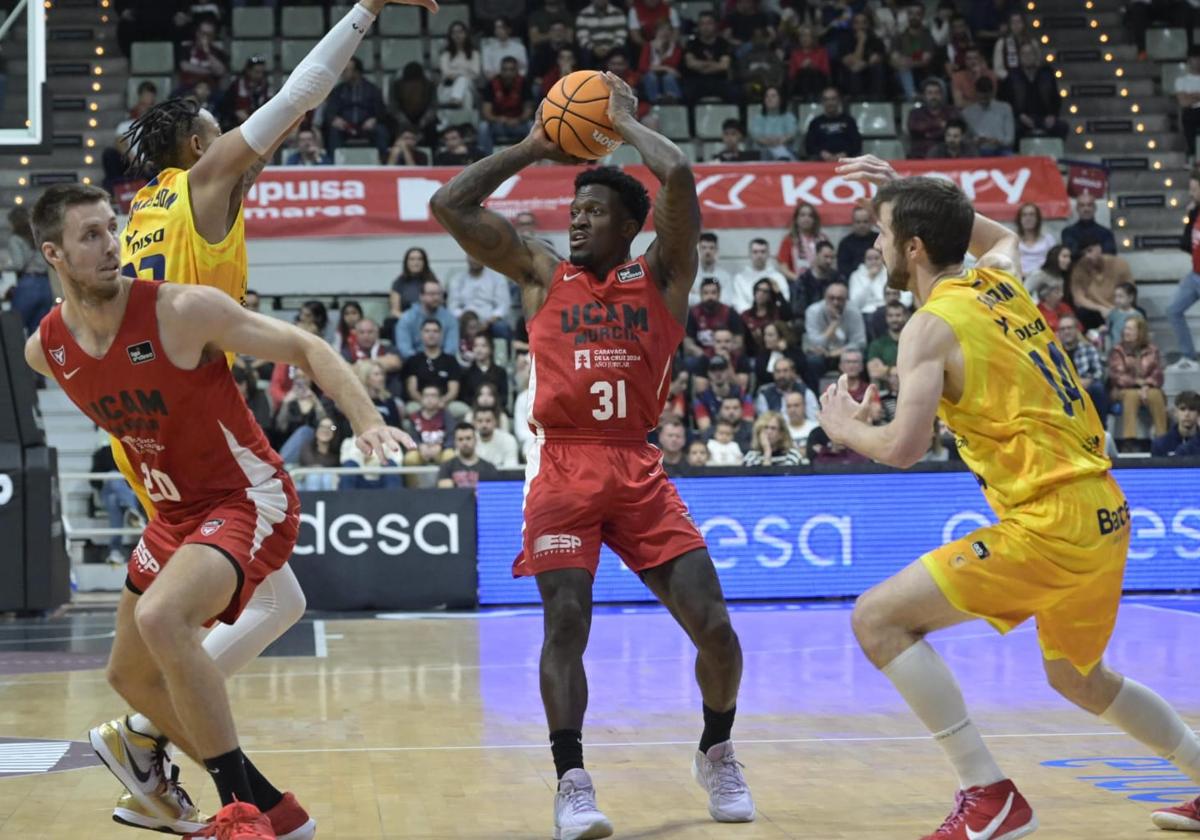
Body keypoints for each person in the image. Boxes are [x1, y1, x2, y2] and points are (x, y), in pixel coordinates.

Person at [101, 3, 437, 829]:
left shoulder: (140, 206)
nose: (241, 146)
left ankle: (149, 735)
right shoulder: (199, 186)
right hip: (195, 435)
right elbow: (298, 97)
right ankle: (154, 740)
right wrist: (365, 11)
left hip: (139, 428)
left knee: (278, 603)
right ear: (195, 147)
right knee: (213, 612)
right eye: (220, 131)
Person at [818, 153, 1200, 839]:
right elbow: (991, 236)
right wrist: (908, 196)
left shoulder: (928, 328)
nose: (874, 247)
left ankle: (987, 794)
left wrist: (847, 427)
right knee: (1079, 679)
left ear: (911, 247)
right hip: (1106, 510)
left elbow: (904, 448)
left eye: (881, 234)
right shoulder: (1001, 279)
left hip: (1050, 519)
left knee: (877, 620)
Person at [28, 183, 414, 840]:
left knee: (161, 616)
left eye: (111, 228)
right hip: (173, 514)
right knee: (127, 673)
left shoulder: (181, 309)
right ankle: (274, 808)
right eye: (89, 235)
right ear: (53, 253)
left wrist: (368, 420)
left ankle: (240, 814)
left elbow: (306, 349)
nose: (109, 245)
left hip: (245, 496)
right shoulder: (48, 349)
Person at [430, 72, 754, 839]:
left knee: (714, 627)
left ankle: (717, 748)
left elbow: (675, 174)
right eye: (574, 210)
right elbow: (451, 206)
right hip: (564, 466)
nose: (577, 222)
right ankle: (571, 778)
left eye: (594, 212)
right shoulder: (545, 274)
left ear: (630, 226)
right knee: (566, 620)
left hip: (637, 468)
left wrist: (623, 120)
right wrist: (536, 143)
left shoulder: (664, 278)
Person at [1108, 316, 1169, 448]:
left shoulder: (1152, 350)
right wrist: (1139, 384)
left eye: (1130, 329)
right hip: (1122, 390)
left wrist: (1146, 385)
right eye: (1125, 328)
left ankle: (1162, 438)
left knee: (1156, 394)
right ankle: (1129, 440)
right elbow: (1117, 375)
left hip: (1148, 388)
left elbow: (1158, 374)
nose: (1126, 332)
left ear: (1140, 332)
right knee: (1131, 396)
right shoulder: (1118, 350)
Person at [803, 281, 866, 392]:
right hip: (821, 353)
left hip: (844, 352)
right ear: (825, 298)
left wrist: (834, 353)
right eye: (831, 298)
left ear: (846, 300)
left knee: (860, 359)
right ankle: (816, 397)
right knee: (813, 361)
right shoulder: (813, 311)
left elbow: (860, 342)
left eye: (840, 299)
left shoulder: (853, 312)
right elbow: (815, 343)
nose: (835, 302)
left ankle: (860, 395)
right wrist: (833, 324)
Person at [324, 57, 389, 160]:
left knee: (381, 131)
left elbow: (382, 112)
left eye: (346, 70)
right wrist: (334, 119)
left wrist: (374, 120)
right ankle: (334, 164)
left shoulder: (372, 89)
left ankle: (383, 163)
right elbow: (329, 111)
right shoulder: (337, 91)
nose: (342, 73)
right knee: (333, 131)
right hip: (345, 127)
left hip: (366, 127)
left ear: (356, 72)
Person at [1001, 42, 1067, 140]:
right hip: (1021, 118)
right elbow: (1007, 101)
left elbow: (1056, 99)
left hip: (1043, 117)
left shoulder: (1046, 74)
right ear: (1019, 57)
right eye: (1024, 54)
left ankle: (1052, 154)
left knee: (1062, 127)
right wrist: (1020, 115)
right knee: (1014, 128)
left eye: (1030, 53)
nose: (1027, 57)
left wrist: (1052, 115)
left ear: (1035, 56)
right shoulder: (1012, 77)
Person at [401, 318, 466, 416]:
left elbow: (453, 391)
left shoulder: (450, 361)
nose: (431, 334)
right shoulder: (413, 361)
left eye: (435, 331)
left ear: (441, 335)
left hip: (444, 403)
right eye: (427, 331)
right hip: (420, 403)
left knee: (463, 410)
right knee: (409, 409)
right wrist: (425, 402)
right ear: (421, 334)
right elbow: (412, 390)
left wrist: (440, 402)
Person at [1069, 234, 1133, 332]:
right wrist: (1100, 308)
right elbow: (1079, 297)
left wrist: (1117, 309)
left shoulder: (1119, 264)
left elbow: (1130, 290)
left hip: (1118, 306)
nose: (1087, 256)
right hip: (1095, 310)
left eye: (1090, 251)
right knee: (1083, 313)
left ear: (1099, 248)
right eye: (1084, 253)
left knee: (1138, 314)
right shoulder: (1079, 268)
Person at [6, 206, 54, 336]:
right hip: (46, 285)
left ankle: (15, 357)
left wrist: (4, 266)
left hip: (28, 284)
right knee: (38, 333)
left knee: (11, 327)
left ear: (14, 222)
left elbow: (19, 264)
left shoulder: (15, 239)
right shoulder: (39, 238)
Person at [1170, 171, 1200, 368]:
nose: (1191, 193)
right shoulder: (1196, 211)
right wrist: (1190, 216)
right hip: (1195, 274)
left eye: (1194, 189)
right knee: (1173, 310)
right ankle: (1189, 355)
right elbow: (1185, 244)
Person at [447, 255, 512, 341]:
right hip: (465, 319)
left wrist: (489, 321)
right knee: (450, 326)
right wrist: (467, 320)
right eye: (471, 256)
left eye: (478, 256)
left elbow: (503, 306)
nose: (475, 260)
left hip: (490, 320)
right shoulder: (457, 279)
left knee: (502, 328)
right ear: (467, 258)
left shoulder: (497, 278)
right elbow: (453, 307)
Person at [1056, 314, 1108, 420]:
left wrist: (1088, 380)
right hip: (1063, 388)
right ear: (1059, 333)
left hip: (1086, 385)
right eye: (1063, 329)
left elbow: (1099, 371)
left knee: (1098, 388)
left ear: (1076, 330)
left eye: (1069, 328)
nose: (1066, 332)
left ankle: (1102, 428)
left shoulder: (1088, 348)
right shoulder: (1054, 352)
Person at [480, 56, 534, 153]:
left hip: (518, 124)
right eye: (505, 69)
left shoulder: (524, 83)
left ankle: (532, 158)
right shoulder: (491, 84)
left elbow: (529, 110)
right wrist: (499, 119)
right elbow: (486, 112)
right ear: (500, 70)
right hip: (499, 125)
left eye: (511, 70)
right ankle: (485, 159)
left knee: (532, 125)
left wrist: (518, 119)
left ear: (517, 70)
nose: (508, 73)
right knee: (483, 127)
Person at [682, 11, 737, 103]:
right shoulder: (691, 43)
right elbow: (690, 64)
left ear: (715, 25)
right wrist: (713, 64)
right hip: (697, 80)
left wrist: (701, 66)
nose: (705, 27)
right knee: (687, 93)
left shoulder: (723, 43)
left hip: (718, 81)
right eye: (702, 24)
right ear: (698, 27)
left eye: (709, 23)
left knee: (735, 92)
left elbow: (724, 66)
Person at [396, 279, 459, 357]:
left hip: (442, 363)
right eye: (432, 294)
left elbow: (451, 349)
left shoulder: (450, 319)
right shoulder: (407, 318)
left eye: (439, 294)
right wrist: (422, 363)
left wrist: (437, 362)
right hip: (414, 363)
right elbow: (404, 349)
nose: (436, 298)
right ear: (421, 296)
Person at [776, 202, 831, 284]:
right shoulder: (789, 240)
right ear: (796, 219)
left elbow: (829, 262)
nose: (806, 218)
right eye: (802, 215)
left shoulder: (823, 239)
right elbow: (783, 268)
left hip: (821, 282)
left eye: (810, 216)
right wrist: (799, 280)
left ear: (815, 220)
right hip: (798, 284)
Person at [803, 87, 861, 163]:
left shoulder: (849, 121)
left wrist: (845, 153)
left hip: (846, 160)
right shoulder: (815, 122)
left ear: (839, 100)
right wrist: (822, 153)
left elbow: (857, 144)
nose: (830, 103)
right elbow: (809, 145)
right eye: (826, 99)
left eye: (833, 99)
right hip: (821, 161)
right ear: (822, 102)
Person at [730, 238, 790, 313]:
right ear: (749, 254)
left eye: (763, 252)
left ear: (768, 254)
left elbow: (784, 299)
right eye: (755, 252)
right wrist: (753, 317)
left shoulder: (778, 277)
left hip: (772, 319)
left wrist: (767, 315)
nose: (759, 255)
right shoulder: (739, 278)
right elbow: (738, 302)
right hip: (746, 320)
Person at [907, 77, 960, 159]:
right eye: (930, 93)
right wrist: (938, 124)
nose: (933, 96)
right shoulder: (915, 113)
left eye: (936, 93)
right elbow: (914, 128)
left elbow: (956, 130)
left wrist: (927, 133)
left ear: (942, 95)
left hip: (946, 156)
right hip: (920, 156)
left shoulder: (951, 112)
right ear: (924, 95)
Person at [961, 77, 1014, 156]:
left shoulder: (1005, 108)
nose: (984, 100)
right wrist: (974, 142)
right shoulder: (966, 113)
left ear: (992, 93)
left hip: (1001, 149)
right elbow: (963, 140)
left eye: (986, 97)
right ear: (976, 93)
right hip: (977, 151)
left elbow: (1010, 139)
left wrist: (998, 142)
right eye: (981, 97)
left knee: (1009, 155)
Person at [437, 422, 500, 487]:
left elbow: (494, 493)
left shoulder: (489, 468)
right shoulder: (447, 467)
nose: (465, 443)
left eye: (468, 438)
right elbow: (443, 492)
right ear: (455, 442)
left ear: (476, 440)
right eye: (460, 439)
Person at [438, 22, 483, 110]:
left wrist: (457, 73)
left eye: (460, 32)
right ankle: (462, 116)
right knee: (466, 94)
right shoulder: (445, 54)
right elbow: (446, 73)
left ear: (466, 34)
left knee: (463, 79)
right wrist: (464, 71)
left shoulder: (475, 54)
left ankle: (456, 99)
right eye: (454, 33)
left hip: (470, 84)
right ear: (450, 36)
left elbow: (476, 73)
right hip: (448, 85)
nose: (457, 35)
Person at [218, 56, 271, 131]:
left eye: (262, 72)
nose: (260, 75)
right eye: (257, 72)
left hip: (259, 125)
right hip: (237, 125)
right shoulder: (236, 85)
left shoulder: (265, 87)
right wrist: (235, 113)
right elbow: (224, 107)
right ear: (248, 71)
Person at [639, 19, 685, 104]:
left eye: (668, 29)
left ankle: (673, 100)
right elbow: (643, 67)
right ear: (656, 32)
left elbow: (674, 66)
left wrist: (660, 54)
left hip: (670, 77)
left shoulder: (676, 48)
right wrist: (665, 68)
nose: (665, 32)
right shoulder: (648, 46)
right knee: (651, 77)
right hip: (651, 77)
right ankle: (655, 101)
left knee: (668, 77)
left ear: (671, 32)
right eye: (661, 29)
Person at [792, 240, 844, 314]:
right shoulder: (803, 280)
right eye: (826, 257)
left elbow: (845, 303)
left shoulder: (838, 279)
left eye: (832, 258)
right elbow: (798, 309)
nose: (829, 261)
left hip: (835, 317)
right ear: (816, 255)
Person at [740, 278, 790, 355]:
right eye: (758, 290)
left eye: (765, 291)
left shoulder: (777, 312)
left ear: (771, 295)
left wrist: (779, 293)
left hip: (776, 352)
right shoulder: (746, 315)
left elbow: (789, 315)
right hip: (752, 354)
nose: (760, 293)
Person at [1061, 191, 1117, 257]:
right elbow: (1071, 252)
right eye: (1082, 205)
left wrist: (1084, 251)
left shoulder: (1106, 233)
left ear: (1095, 208)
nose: (1086, 209)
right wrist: (1094, 251)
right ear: (1077, 209)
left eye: (1089, 205)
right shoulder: (1068, 232)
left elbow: (1111, 252)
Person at [748, 86, 797, 161]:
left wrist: (779, 141)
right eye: (767, 96)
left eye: (773, 96)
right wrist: (771, 142)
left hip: (784, 149)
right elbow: (756, 136)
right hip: (763, 151)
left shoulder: (789, 117)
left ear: (780, 99)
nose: (769, 99)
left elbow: (791, 133)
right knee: (767, 152)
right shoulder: (757, 118)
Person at [575, 0, 629, 66]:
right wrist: (594, 48)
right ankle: (587, 75)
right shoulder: (583, 14)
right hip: (592, 50)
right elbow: (582, 37)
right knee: (584, 52)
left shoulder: (618, 12)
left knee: (623, 50)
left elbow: (621, 36)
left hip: (612, 49)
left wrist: (610, 48)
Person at [461, 333, 509, 407]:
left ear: (491, 349)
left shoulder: (500, 372)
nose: (479, 350)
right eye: (476, 346)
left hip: (497, 410)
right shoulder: (466, 373)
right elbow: (464, 398)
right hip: (473, 411)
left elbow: (504, 398)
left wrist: (490, 403)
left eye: (483, 346)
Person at [866, 300, 909, 382]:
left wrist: (884, 370)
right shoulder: (877, 344)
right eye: (890, 316)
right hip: (885, 392)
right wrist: (892, 371)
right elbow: (873, 372)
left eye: (898, 315)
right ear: (886, 318)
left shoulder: (913, 342)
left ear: (905, 317)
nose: (894, 319)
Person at [390, 247, 438, 317]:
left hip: (430, 321)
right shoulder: (398, 283)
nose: (416, 262)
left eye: (420, 259)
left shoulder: (432, 281)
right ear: (406, 262)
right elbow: (394, 311)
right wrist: (409, 320)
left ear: (425, 262)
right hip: (406, 321)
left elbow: (438, 307)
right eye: (412, 259)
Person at [789, 23, 831, 100]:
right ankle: (806, 98)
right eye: (802, 36)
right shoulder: (795, 54)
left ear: (813, 38)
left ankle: (813, 98)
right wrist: (801, 67)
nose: (804, 39)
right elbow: (792, 75)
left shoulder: (821, 52)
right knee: (804, 72)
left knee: (812, 73)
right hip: (800, 83)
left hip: (818, 82)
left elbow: (826, 71)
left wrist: (813, 66)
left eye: (807, 36)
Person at [1152, 390, 1200, 457]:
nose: (1187, 414)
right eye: (1182, 409)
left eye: (1192, 409)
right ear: (1176, 412)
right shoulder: (1161, 444)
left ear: (1198, 413)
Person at [691, 231, 732, 305]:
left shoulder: (725, 276)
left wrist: (697, 296)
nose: (707, 251)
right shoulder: (690, 275)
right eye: (704, 247)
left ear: (716, 250)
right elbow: (687, 299)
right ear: (699, 250)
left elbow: (727, 301)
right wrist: (713, 298)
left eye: (711, 248)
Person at [1015, 202, 1056, 278]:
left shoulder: (1048, 239)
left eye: (1032, 215)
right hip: (1020, 278)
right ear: (1019, 219)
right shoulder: (1014, 240)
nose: (1028, 218)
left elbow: (1054, 263)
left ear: (1038, 218)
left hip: (1043, 279)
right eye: (1024, 215)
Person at [848, 247, 891, 316]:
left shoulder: (889, 272)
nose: (873, 262)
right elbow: (855, 303)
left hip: (888, 311)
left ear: (882, 259)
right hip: (865, 313)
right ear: (864, 260)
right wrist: (870, 278)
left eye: (877, 258)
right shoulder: (856, 276)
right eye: (869, 259)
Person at [837, 206, 877, 279]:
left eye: (865, 221)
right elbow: (843, 268)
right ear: (853, 223)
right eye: (858, 222)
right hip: (854, 281)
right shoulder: (845, 243)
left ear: (871, 222)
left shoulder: (879, 240)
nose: (862, 225)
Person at [1176, 46, 1200, 157]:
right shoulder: (1181, 81)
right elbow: (1183, 102)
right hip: (1190, 114)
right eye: (1195, 57)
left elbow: (1186, 98)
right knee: (1192, 147)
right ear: (1189, 60)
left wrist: (1190, 95)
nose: (1198, 61)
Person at [1106, 282, 1142, 352]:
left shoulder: (1137, 315)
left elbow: (1141, 334)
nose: (1117, 300)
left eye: (1120, 296)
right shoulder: (1113, 313)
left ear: (1131, 298)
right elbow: (1109, 328)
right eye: (1115, 296)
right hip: (1115, 349)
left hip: (1131, 350)